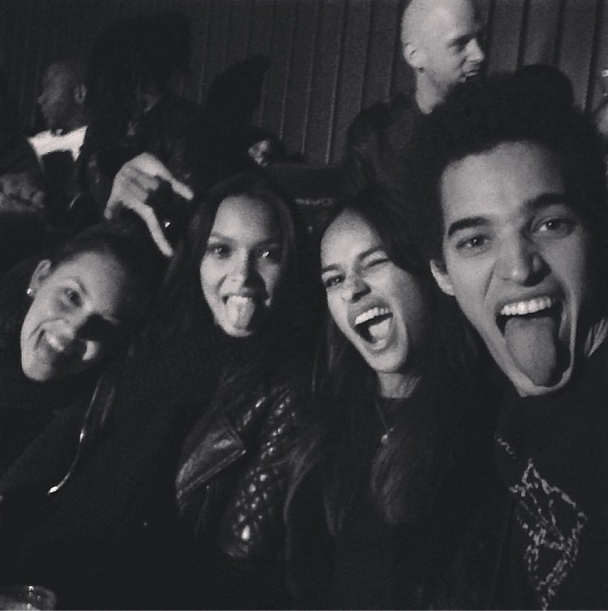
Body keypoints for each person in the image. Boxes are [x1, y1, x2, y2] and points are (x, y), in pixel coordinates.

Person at [0, 171, 320, 610]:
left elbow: (236, 564)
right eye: (221, 250)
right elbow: (78, 278)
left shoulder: (286, 383)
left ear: (292, 264)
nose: (242, 274)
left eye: (268, 254)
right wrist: (111, 202)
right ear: (198, 258)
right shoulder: (156, 340)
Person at [411, 72, 608, 609]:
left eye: (549, 224)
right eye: (476, 240)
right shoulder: (485, 408)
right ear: (442, 273)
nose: (520, 267)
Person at [285, 191, 497, 609]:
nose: (353, 289)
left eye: (374, 262)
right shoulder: (323, 425)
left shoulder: (486, 426)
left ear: (428, 271)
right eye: (334, 279)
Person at [0, 217, 165, 476]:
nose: (74, 329)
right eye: (72, 296)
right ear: (40, 278)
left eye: (104, 325)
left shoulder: (80, 443)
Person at [342, 0, 485, 196]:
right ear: (414, 56)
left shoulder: (502, 124)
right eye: (459, 43)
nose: (479, 55)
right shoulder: (373, 136)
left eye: (480, 38)